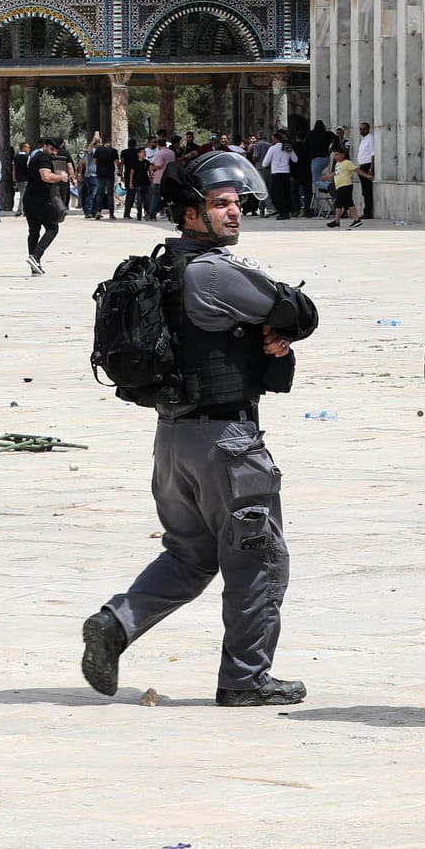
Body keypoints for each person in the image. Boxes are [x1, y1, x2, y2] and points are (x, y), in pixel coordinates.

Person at [80, 150, 319, 708]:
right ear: (191, 215)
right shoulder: (212, 270)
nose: (236, 213)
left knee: (189, 555)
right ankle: (246, 679)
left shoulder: (165, 268)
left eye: (237, 203)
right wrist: (278, 326)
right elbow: (300, 311)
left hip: (173, 439)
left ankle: (116, 624)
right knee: (257, 560)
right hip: (227, 446)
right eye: (221, 205)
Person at [22, 138, 69, 276]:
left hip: (29, 200)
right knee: (53, 228)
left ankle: (34, 265)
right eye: (52, 149)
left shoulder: (35, 157)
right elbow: (46, 176)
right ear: (45, 146)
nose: (54, 152)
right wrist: (61, 177)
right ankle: (35, 256)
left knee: (34, 231)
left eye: (56, 150)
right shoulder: (44, 158)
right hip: (41, 201)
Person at [320, 146, 367, 228]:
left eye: (337, 155)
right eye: (335, 155)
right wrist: (327, 177)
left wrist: (367, 176)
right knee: (346, 203)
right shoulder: (338, 164)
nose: (336, 157)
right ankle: (353, 220)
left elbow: (357, 170)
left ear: (343, 155)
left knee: (341, 203)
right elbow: (336, 173)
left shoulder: (347, 163)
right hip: (339, 186)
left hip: (345, 185)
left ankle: (340, 221)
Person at [354, 121, 376, 218]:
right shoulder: (363, 140)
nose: (362, 131)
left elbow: (373, 154)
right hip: (362, 166)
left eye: (364, 129)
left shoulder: (370, 138)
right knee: (364, 191)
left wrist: (371, 169)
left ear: (368, 129)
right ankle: (366, 210)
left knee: (367, 191)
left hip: (367, 166)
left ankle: (368, 212)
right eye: (360, 129)